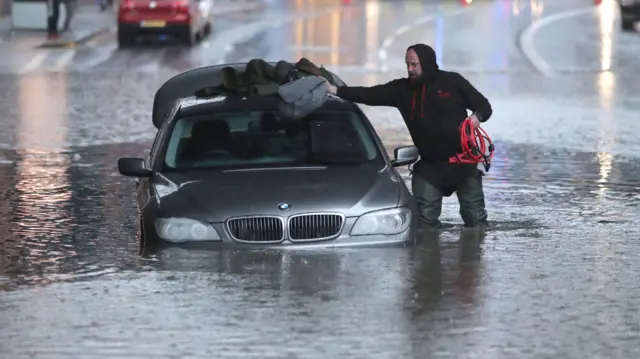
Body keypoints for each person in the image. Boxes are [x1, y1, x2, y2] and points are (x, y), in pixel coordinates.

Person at [324, 43, 493, 229]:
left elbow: (484, 105)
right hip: (430, 168)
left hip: (464, 164)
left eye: (414, 65)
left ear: (426, 63)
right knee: (423, 224)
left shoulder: (453, 82)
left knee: (476, 221)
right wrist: (335, 91)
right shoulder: (401, 90)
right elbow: (369, 94)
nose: (410, 69)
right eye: (407, 65)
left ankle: (472, 256)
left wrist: (476, 117)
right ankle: (428, 256)